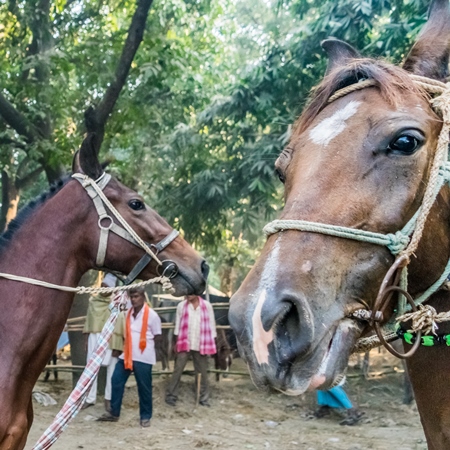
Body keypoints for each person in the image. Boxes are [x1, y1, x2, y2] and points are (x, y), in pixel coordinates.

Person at [98, 286, 161, 427]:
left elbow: (158, 336)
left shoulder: (152, 315)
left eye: (136, 296)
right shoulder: (127, 313)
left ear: (143, 297)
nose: (133, 299)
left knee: (144, 388)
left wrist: (148, 349)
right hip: (126, 355)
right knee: (116, 380)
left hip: (143, 357)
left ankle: (145, 416)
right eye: (131, 297)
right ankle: (114, 413)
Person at [165, 294, 217, 407]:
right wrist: (176, 344)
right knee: (178, 369)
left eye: (191, 293)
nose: (187, 295)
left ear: (197, 292)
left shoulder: (207, 306)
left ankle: (203, 398)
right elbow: (177, 327)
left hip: (201, 343)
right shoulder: (181, 306)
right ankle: (171, 396)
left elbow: (212, 327)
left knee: (202, 372)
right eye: (186, 293)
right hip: (184, 342)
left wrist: (211, 345)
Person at [82, 273, 118, 411]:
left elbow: (119, 321)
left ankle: (108, 399)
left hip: (110, 336)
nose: (104, 289)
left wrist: (119, 344)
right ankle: (90, 398)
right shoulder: (93, 301)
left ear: (112, 289)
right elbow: (88, 321)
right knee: (91, 368)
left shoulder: (115, 303)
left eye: (107, 287)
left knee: (111, 368)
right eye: (102, 286)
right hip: (94, 336)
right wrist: (86, 339)